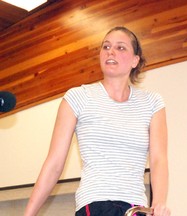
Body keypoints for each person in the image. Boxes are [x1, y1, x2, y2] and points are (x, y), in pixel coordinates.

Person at [24, 26, 170, 216]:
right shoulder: (78, 97)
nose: (111, 51)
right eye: (106, 46)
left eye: (121, 47)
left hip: (135, 208)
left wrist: (158, 203)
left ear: (135, 60)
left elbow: (159, 159)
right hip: (94, 204)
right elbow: (54, 164)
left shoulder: (152, 103)